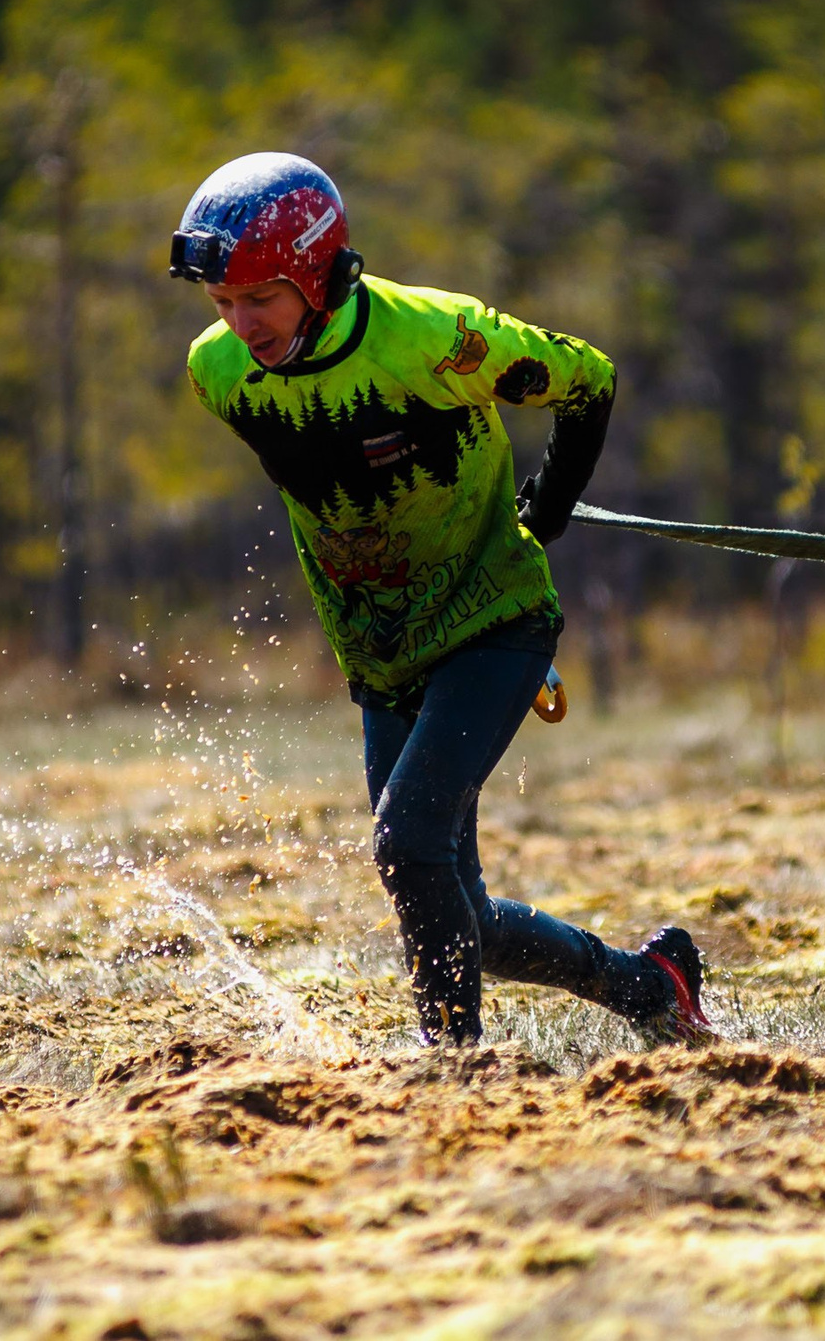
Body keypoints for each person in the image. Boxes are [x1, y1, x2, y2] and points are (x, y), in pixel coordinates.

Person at [170, 152, 710, 1048]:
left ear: (315, 274)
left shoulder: (438, 340)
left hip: (495, 621)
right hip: (383, 654)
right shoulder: (219, 373)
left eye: (257, 298)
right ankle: (651, 989)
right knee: (458, 907)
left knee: (406, 842)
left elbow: (589, 379)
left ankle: (450, 1067)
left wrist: (549, 503)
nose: (238, 323)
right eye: (221, 302)